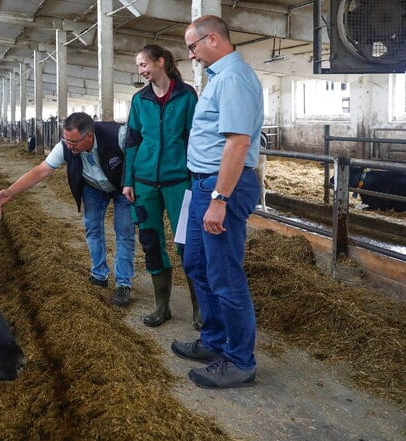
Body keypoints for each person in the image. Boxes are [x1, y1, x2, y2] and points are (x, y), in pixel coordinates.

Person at [170, 15, 263, 389]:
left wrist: (220, 198)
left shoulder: (235, 78)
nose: (191, 55)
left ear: (212, 39)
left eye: (193, 47)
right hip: (202, 184)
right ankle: (213, 342)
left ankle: (241, 361)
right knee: (195, 263)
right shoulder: (218, 79)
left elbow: (238, 142)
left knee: (225, 276)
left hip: (221, 187)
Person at [0, 112, 136, 306]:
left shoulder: (118, 135)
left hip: (122, 187)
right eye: (65, 140)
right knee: (92, 228)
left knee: (124, 232)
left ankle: (123, 283)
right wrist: (9, 192)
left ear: (89, 137)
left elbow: (137, 157)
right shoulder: (65, 147)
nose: (68, 145)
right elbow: (41, 170)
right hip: (93, 187)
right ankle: (99, 275)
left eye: (73, 142)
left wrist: (136, 184)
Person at [122, 44, 201, 330]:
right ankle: (162, 306)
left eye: (143, 65)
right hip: (144, 185)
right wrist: (127, 181)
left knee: (188, 244)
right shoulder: (140, 99)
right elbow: (132, 141)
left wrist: (196, 179)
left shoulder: (186, 95)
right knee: (151, 243)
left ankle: (199, 308)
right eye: (139, 66)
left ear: (160, 62)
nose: (141, 71)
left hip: (179, 182)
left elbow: (195, 138)